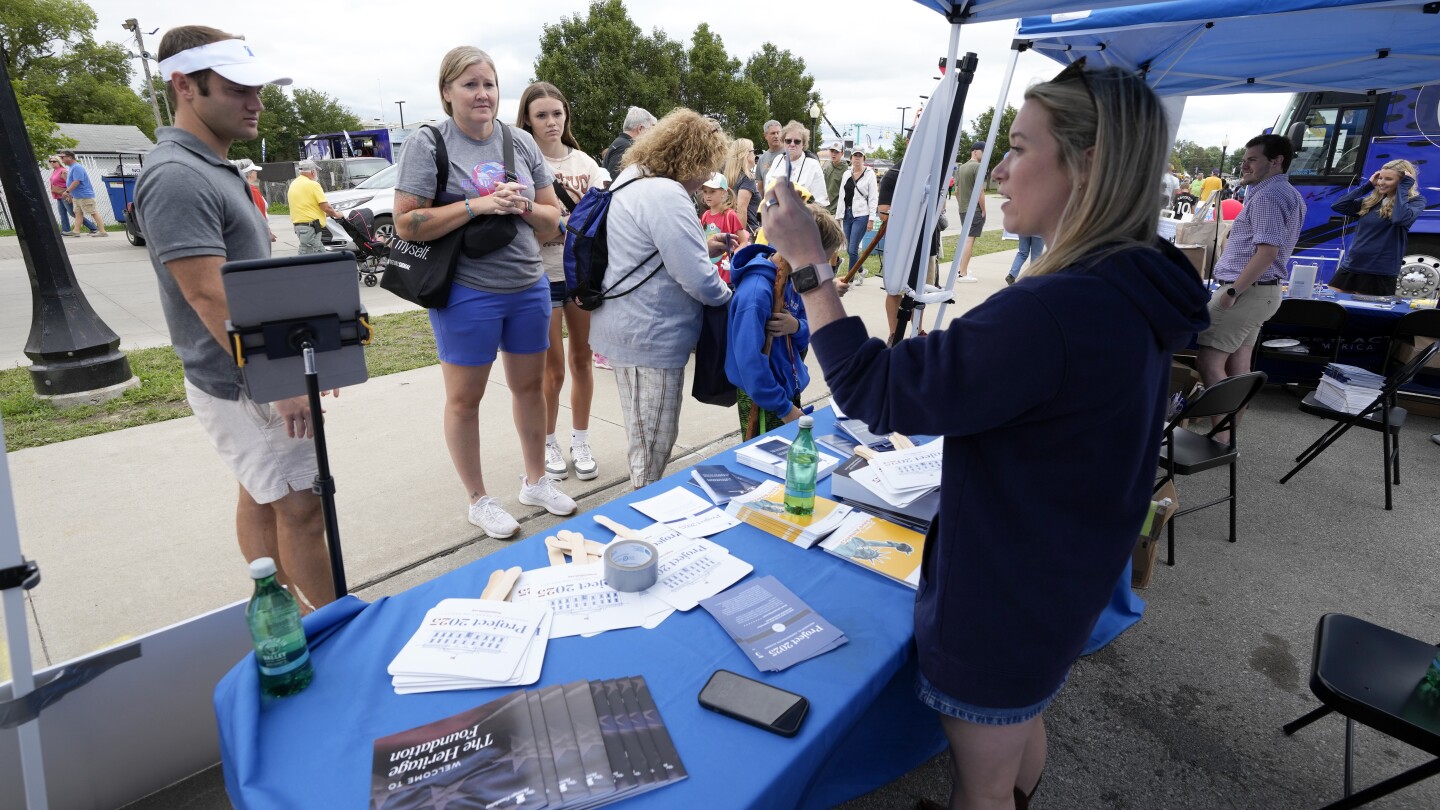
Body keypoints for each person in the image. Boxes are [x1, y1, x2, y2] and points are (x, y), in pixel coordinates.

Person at [759, 58, 1209, 810]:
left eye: (1021, 147)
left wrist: (810, 265)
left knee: (983, 779)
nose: (997, 170)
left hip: (1006, 598)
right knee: (1016, 725)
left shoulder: (1058, 309)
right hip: (1061, 576)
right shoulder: (1134, 278)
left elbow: (872, 389)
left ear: (1087, 165)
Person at [136, 24, 335, 611]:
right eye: (237, 89)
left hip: (250, 372)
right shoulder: (176, 175)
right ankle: (339, 632)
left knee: (262, 492)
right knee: (302, 507)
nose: (256, 102)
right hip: (240, 379)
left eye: (258, 89)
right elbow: (208, 298)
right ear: (185, 86)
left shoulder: (213, 166)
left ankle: (285, 613)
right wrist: (279, 380)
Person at [393, 46, 576, 538]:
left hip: (528, 285)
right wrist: (478, 205)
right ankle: (478, 499)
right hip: (468, 292)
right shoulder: (428, 143)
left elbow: (554, 218)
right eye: (470, 84)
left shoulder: (520, 142)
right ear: (447, 92)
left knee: (530, 389)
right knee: (464, 399)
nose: (482, 94)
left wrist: (518, 208)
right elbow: (407, 223)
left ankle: (536, 480)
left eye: (489, 84)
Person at [588, 108, 737, 488]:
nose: (706, 178)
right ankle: (642, 523)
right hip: (649, 336)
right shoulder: (666, 194)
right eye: (707, 166)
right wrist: (732, 298)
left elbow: (649, 250)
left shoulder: (632, 178)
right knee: (651, 447)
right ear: (691, 158)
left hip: (625, 326)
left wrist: (704, 245)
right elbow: (699, 281)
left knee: (644, 436)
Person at [516, 81, 610, 484]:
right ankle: (548, 442)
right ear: (528, 120)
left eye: (557, 113)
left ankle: (581, 439)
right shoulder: (521, 163)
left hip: (580, 276)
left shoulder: (585, 165)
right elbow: (526, 228)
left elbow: (594, 224)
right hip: (541, 275)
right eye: (541, 115)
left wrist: (559, 226)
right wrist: (560, 227)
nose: (551, 122)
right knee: (551, 370)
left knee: (582, 360)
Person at [1195, 134, 1305, 430]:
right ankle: (1226, 437)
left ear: (1276, 161)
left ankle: (1220, 437)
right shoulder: (1287, 193)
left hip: (1246, 292)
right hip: (1262, 293)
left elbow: (1267, 251)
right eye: (1243, 160)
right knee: (1238, 367)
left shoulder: (1269, 196)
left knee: (1209, 362)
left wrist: (1233, 290)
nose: (1244, 166)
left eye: (1252, 160)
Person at [726, 204, 842, 438]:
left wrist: (796, 327)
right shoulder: (756, 294)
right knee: (766, 459)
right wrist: (784, 409)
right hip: (764, 397)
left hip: (787, 387)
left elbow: (806, 328)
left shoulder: (791, 279)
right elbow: (750, 362)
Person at [1328, 159, 1426, 296]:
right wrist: (1368, 185)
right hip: (1352, 264)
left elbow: (1399, 219)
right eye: (1380, 178)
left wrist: (1402, 189)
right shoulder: (1371, 202)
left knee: (1362, 313)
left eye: (1388, 179)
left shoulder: (1416, 201)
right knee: (1332, 305)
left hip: (1379, 270)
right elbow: (1338, 206)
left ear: (1403, 181)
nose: (1381, 182)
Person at [836, 148, 879, 281]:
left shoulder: (869, 174)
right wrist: (839, 216)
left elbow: (873, 197)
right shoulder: (847, 173)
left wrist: (871, 218)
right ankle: (861, 269)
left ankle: (849, 279)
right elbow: (842, 195)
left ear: (864, 159)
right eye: (855, 156)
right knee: (849, 249)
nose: (857, 158)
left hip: (862, 214)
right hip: (847, 214)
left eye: (860, 156)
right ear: (851, 158)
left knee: (853, 248)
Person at [768, 121, 828, 208]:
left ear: (803, 144)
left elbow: (821, 203)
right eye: (788, 141)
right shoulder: (777, 160)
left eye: (797, 141)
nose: (792, 144)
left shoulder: (812, 165)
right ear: (783, 142)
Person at [952, 141, 987, 283]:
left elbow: (956, 191)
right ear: (976, 151)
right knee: (970, 240)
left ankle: (961, 269)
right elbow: (980, 191)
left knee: (966, 239)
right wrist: (983, 209)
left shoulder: (961, 168)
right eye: (983, 152)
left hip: (963, 209)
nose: (984, 155)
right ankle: (963, 272)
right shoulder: (978, 167)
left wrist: (962, 205)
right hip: (974, 210)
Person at [699, 172, 744, 283]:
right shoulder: (705, 216)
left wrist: (732, 258)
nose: (708, 195)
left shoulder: (730, 215)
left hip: (726, 275)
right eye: (705, 191)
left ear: (723, 192)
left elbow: (743, 242)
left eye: (712, 191)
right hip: (710, 274)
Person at [287, 160, 339, 254]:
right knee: (307, 259)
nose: (316, 173)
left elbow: (307, 205)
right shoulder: (313, 184)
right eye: (316, 170)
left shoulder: (294, 184)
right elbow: (325, 207)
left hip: (301, 227)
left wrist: (322, 215)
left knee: (322, 256)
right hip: (310, 228)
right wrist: (336, 214)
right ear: (312, 171)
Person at [59, 150, 106, 236]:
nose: (61, 159)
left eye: (62, 157)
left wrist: (67, 191)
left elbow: (77, 181)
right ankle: (76, 231)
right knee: (78, 213)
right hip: (77, 196)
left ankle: (102, 231)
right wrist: (70, 194)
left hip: (84, 195)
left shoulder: (77, 167)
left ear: (69, 157)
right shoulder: (72, 167)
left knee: (93, 212)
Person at [601, 106, 655, 179]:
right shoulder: (626, 148)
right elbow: (613, 184)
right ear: (641, 129)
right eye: (651, 130)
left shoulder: (619, 143)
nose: (652, 135)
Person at [48, 155, 94, 235]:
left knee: (72, 213)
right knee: (62, 214)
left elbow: (68, 183)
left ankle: (93, 227)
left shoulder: (63, 171)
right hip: (59, 195)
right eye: (50, 161)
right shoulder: (55, 171)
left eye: (54, 161)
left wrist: (69, 195)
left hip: (65, 195)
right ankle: (65, 230)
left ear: (59, 162)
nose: (52, 163)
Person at [723, 137, 760, 235]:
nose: (755, 154)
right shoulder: (747, 178)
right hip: (748, 232)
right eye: (753, 151)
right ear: (745, 154)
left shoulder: (728, 178)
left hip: (729, 230)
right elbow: (741, 210)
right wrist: (742, 240)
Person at [233, 158, 276, 242]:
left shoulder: (238, 187)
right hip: (257, 233)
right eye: (254, 170)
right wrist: (267, 231)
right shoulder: (252, 190)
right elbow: (259, 213)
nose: (256, 172)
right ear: (249, 174)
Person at [754, 119, 784, 190]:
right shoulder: (761, 159)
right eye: (773, 133)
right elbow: (760, 188)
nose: (776, 136)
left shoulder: (790, 154)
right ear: (765, 135)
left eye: (778, 133)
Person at [821, 142, 846, 210]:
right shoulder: (827, 166)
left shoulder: (846, 170)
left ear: (842, 153)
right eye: (832, 151)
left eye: (836, 152)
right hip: (824, 207)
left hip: (837, 210)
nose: (833, 154)